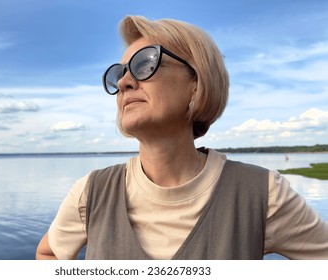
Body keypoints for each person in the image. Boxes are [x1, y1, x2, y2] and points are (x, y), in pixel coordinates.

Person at [36, 15, 328, 260]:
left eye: (145, 63)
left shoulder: (262, 193)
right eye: (120, 73)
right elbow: (48, 254)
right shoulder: (91, 192)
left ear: (196, 82)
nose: (124, 82)